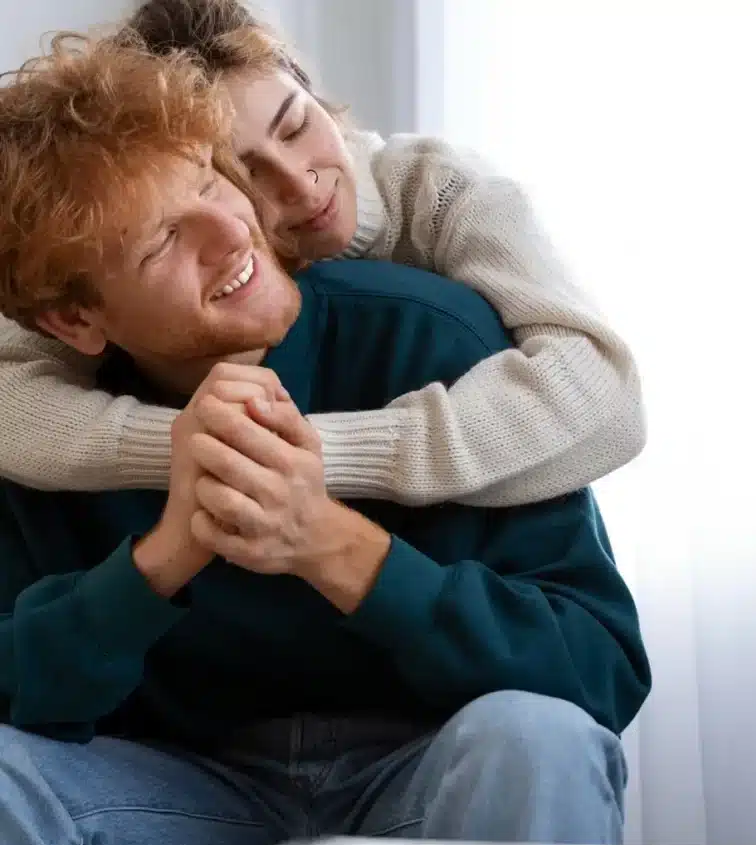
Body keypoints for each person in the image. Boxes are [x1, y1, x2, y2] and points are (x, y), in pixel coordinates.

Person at [0, 35, 649, 845]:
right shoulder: (45, 433)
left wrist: (336, 548)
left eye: (209, 188)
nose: (230, 236)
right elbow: (20, 692)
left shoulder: (436, 339)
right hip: (189, 799)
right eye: (160, 241)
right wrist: (160, 561)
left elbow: (598, 671)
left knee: (538, 736)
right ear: (77, 323)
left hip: (425, 783)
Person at [0, 0, 645, 506]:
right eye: (244, 172)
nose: (302, 184)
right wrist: (195, 449)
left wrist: (308, 454)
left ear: (317, 95)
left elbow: (607, 400)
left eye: (297, 124)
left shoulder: (444, 195)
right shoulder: (163, 260)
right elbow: (13, 407)